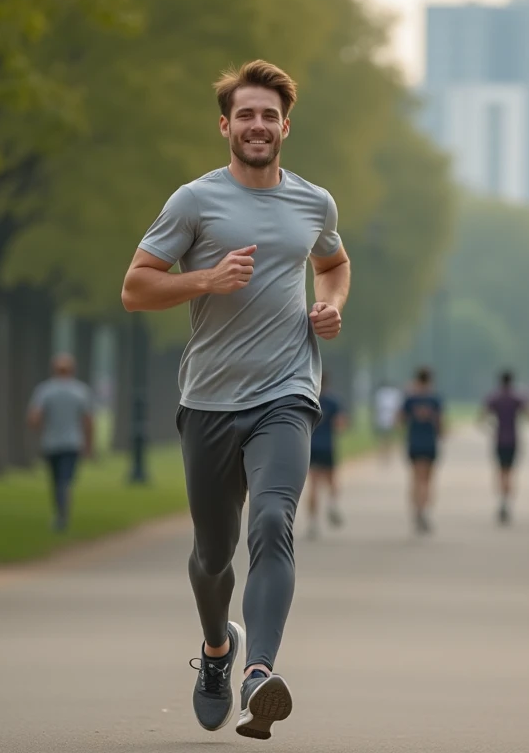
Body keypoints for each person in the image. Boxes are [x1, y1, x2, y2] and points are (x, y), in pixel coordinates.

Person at [120, 60, 350, 740]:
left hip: (286, 393)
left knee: (274, 521)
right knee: (213, 554)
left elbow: (333, 264)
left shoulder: (315, 203)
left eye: (269, 115)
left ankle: (259, 675)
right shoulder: (194, 201)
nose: (258, 125)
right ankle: (218, 649)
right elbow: (135, 288)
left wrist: (329, 306)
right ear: (226, 126)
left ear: (285, 127)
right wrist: (205, 281)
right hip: (209, 401)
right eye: (245, 115)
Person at [26, 353, 95, 533]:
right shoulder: (80, 391)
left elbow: (34, 417)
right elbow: (88, 421)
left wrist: (39, 427)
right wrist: (89, 445)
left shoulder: (45, 390)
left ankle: (60, 514)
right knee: (65, 481)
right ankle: (63, 513)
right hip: (72, 443)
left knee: (56, 481)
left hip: (51, 443)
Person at [480, 370, 529, 525]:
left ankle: (501, 500)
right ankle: (507, 502)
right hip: (513, 439)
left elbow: (481, 418)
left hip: (499, 439)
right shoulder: (517, 398)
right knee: (510, 473)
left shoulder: (494, 397)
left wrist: (491, 427)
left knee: (500, 472)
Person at [400, 367, 444, 535]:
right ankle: (425, 511)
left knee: (415, 478)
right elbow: (441, 424)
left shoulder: (410, 399)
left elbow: (400, 419)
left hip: (414, 442)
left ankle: (416, 510)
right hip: (430, 443)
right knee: (427, 480)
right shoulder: (435, 400)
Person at [306, 373, 347, 539]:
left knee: (313, 485)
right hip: (327, 446)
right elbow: (341, 424)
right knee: (331, 480)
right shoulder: (333, 401)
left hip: (311, 446)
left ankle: (313, 522)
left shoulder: (307, 399)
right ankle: (332, 505)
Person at [373, 380, 402, 460]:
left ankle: (386, 452)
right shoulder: (391, 394)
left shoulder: (382, 394)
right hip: (386, 416)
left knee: (386, 436)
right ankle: (384, 452)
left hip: (387, 416)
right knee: (385, 436)